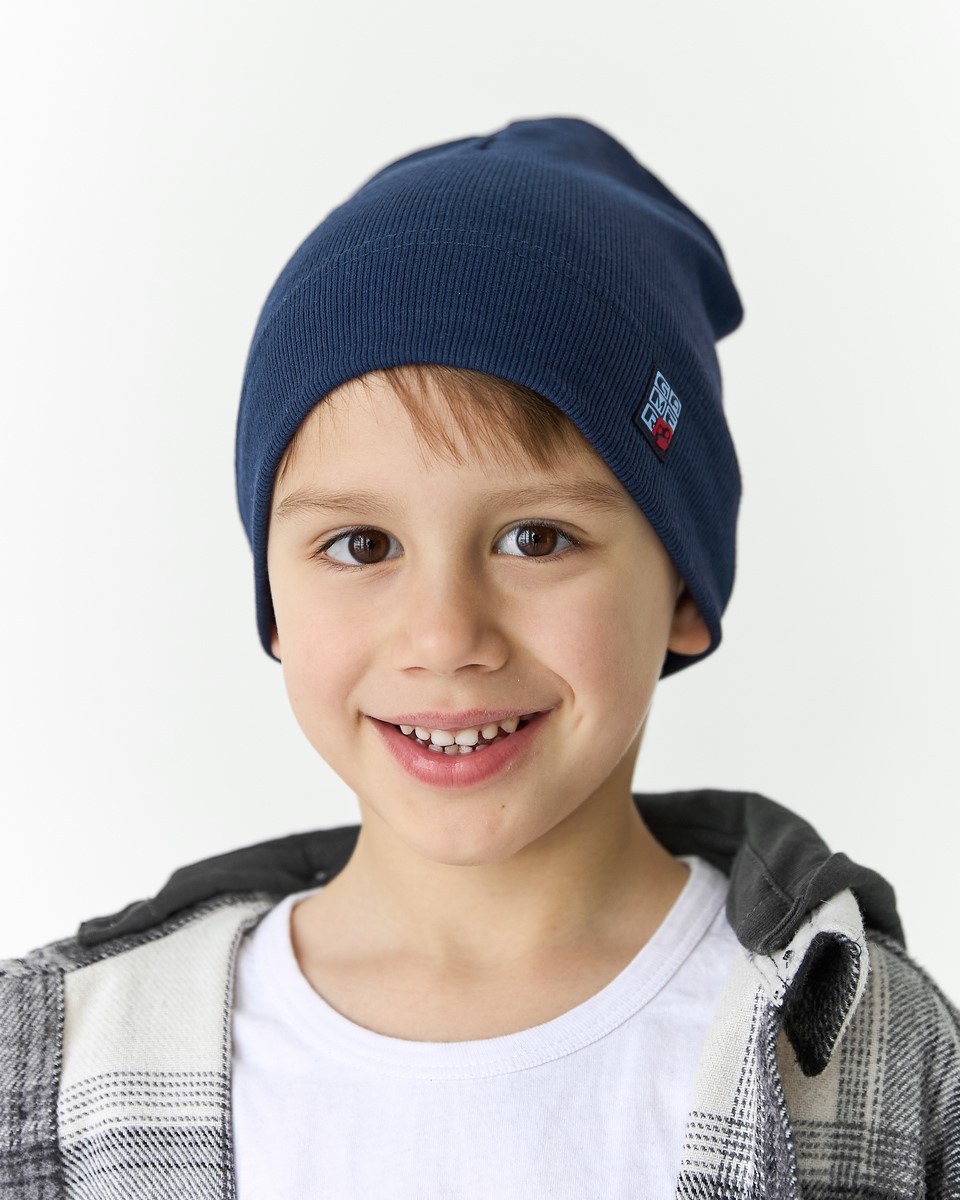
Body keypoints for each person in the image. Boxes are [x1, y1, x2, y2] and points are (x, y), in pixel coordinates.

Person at [1, 116, 957, 1199]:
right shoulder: (67, 1062)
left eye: (535, 539)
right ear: (273, 602)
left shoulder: (874, 1050)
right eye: (362, 546)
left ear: (685, 586)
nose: (445, 636)